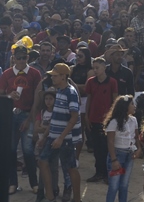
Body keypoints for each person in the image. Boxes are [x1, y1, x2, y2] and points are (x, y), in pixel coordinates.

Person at [1, 44, 41, 195]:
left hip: (27, 114)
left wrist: (31, 119)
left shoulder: (35, 73)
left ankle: (34, 183)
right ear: (14, 58)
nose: (22, 61)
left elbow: (38, 98)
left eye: (24, 58)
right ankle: (13, 183)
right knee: (10, 150)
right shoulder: (6, 74)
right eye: (19, 58)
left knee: (28, 150)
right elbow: (1, 95)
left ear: (28, 58)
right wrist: (9, 96)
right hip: (10, 115)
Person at [38, 62, 82, 202]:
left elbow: (74, 117)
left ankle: (76, 198)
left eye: (55, 76)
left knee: (70, 168)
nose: (52, 78)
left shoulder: (70, 92)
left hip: (65, 138)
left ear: (63, 76)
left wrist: (61, 138)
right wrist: (45, 137)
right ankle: (50, 196)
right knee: (44, 161)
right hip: (55, 136)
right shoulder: (60, 91)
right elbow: (55, 117)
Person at [85, 56, 118, 183]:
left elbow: (115, 100)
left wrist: (114, 117)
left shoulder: (112, 82)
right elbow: (89, 98)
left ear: (104, 68)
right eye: (94, 68)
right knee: (97, 148)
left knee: (107, 147)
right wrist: (87, 115)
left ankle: (108, 173)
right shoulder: (91, 82)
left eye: (97, 67)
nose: (95, 70)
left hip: (107, 119)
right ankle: (99, 172)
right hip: (94, 117)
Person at [104, 95, 140, 202]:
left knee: (124, 185)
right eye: (132, 104)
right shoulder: (114, 122)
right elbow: (110, 141)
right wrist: (114, 159)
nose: (134, 106)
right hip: (118, 154)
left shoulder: (134, 120)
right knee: (114, 186)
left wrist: (139, 149)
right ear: (125, 106)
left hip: (129, 155)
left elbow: (136, 136)